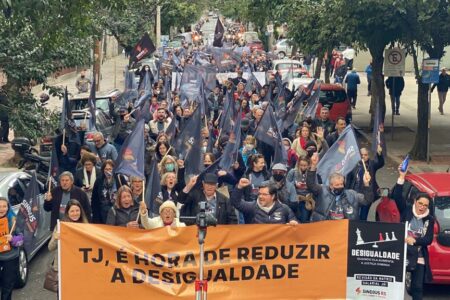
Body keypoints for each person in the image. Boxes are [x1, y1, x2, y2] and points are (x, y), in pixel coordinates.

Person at [391, 166, 434, 300]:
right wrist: (402, 177)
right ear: (415, 202)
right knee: (395, 285)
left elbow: (428, 239)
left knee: (417, 287)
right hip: (402, 253)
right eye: (420, 203)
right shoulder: (407, 211)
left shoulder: (430, 219)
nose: (422, 207)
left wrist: (414, 240)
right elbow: (397, 196)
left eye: (425, 205)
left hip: (419, 256)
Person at [306, 153, 374, 221]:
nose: (340, 186)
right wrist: (313, 166)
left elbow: (367, 200)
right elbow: (311, 185)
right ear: (331, 185)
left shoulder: (352, 195)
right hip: (324, 227)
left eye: (341, 184)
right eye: (337, 185)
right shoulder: (322, 191)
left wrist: (366, 184)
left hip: (344, 229)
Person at [47, 199, 88, 295]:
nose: (75, 213)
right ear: (67, 213)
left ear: (81, 212)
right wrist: (55, 238)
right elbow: (50, 247)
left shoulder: (86, 227)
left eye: (77, 211)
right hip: (64, 268)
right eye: (72, 211)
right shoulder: (61, 227)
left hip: (80, 268)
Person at [230, 179, 298, 224]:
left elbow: (297, 226)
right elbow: (236, 202)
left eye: (264, 194)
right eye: (259, 194)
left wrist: (294, 223)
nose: (260, 197)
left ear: (273, 196)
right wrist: (239, 187)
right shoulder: (252, 207)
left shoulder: (284, 209)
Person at [346, 146, 384, 220]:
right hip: (355, 193)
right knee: (354, 214)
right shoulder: (354, 165)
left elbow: (380, 163)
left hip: (367, 194)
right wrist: (347, 192)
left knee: (363, 215)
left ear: (368, 156)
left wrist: (379, 154)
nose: (363, 156)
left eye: (365, 155)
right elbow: (349, 180)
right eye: (361, 155)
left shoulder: (372, 164)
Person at [0, 197, 23, 300]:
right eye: (0, 206)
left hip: (10, 258)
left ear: (8, 207)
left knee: (7, 287)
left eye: (4, 206)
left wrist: (13, 239)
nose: (2, 209)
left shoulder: (13, 220)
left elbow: (22, 239)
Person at [91, 160, 126, 224]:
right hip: (103, 212)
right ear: (103, 170)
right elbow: (94, 199)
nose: (108, 171)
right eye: (106, 169)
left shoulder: (120, 178)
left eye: (110, 169)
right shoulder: (99, 180)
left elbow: (127, 192)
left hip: (118, 211)